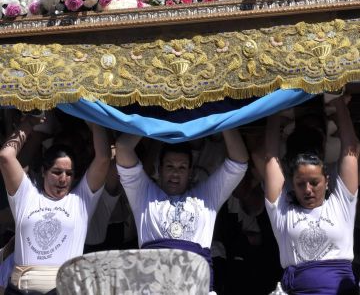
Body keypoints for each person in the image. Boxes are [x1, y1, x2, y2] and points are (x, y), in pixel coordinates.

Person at [115, 129, 248, 294]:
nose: (176, 173)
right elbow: (122, 147)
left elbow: (239, 162)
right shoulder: (143, 194)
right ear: (160, 168)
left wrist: (222, 118)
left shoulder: (207, 197)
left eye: (182, 167)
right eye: (170, 166)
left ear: (190, 172)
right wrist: (155, 118)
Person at [0, 114, 110, 295]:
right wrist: (30, 122)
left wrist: (95, 116)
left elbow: (104, 158)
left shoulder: (80, 200)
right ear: (43, 171)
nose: (63, 179)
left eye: (69, 173)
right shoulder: (26, 196)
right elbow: (5, 156)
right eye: (57, 172)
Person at [264, 93, 359, 295]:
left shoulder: (342, 204)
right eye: (300, 184)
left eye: (314, 182)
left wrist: (338, 102)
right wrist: (275, 108)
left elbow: (351, 149)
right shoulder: (282, 213)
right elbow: (270, 157)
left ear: (327, 182)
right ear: (292, 184)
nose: (308, 189)